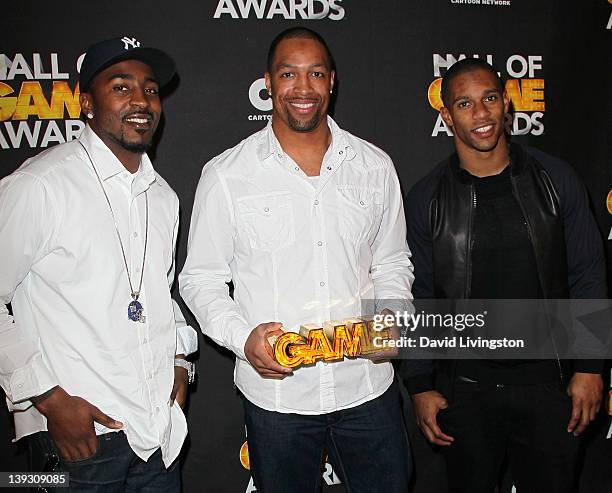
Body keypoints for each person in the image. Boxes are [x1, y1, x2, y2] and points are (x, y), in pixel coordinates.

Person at [180, 27, 413, 493]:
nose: (302, 89)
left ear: (332, 81)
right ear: (268, 82)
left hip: (366, 386)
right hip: (278, 399)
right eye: (289, 74)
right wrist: (244, 339)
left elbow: (392, 263)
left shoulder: (374, 166)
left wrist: (391, 321)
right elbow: (200, 279)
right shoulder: (228, 175)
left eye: (315, 74)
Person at [400, 58, 607, 492]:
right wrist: (419, 383)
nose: (480, 114)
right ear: (446, 115)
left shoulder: (556, 179)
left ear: (506, 103)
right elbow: (417, 296)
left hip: (550, 389)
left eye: (489, 98)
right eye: (465, 103)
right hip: (465, 392)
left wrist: (589, 367)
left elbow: (588, 274)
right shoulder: (426, 199)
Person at [0, 37, 197, 492]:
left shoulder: (162, 197)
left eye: (150, 89)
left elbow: (157, 296)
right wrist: (48, 399)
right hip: (77, 443)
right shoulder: (40, 185)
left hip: (156, 438)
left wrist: (180, 358)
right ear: (86, 102)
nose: (141, 101)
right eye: (121, 87)